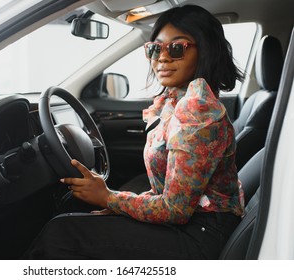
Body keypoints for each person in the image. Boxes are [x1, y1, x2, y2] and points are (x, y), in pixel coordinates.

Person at [26, 4, 245, 259]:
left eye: (177, 48)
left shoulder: (198, 111)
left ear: (205, 51)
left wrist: (109, 198)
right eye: (154, 48)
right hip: (195, 223)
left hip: (201, 236)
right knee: (75, 216)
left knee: (61, 232)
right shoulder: (178, 100)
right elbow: (170, 195)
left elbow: (175, 210)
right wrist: (119, 203)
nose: (161, 58)